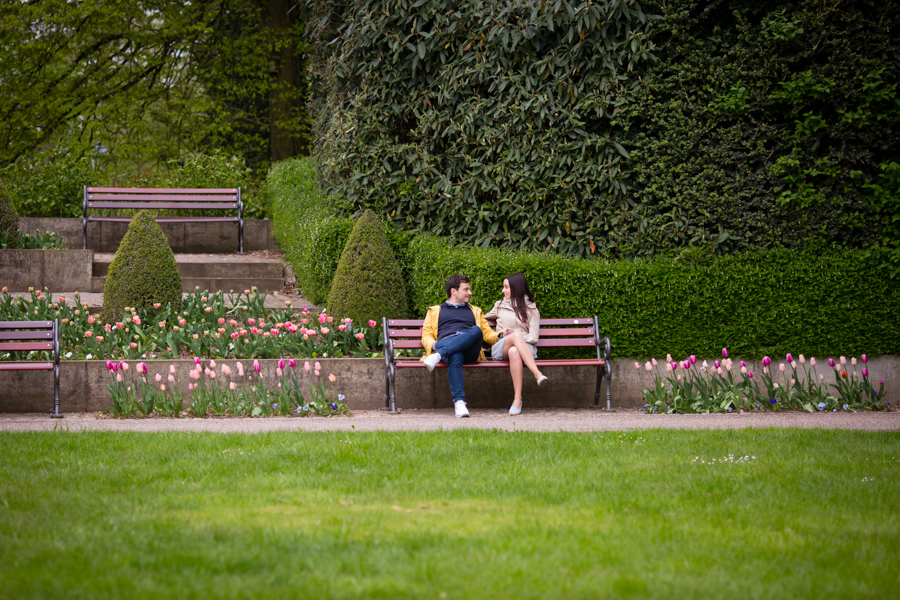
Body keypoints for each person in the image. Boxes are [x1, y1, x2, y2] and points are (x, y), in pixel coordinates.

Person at [421, 275, 500, 418]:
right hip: (449, 349)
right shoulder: (435, 311)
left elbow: (486, 333)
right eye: (466, 289)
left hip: (469, 349)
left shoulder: (475, 310)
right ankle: (459, 403)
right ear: (453, 291)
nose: (469, 293)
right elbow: (426, 335)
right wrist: (434, 344)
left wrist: (500, 335)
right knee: (455, 353)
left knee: (476, 330)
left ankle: (438, 355)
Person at [484, 273, 548, 415]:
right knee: (514, 340)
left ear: (516, 288)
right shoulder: (499, 305)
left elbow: (534, 337)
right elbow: (481, 321)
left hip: (524, 348)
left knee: (514, 351)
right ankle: (537, 374)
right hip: (501, 347)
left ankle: (517, 400)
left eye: (506, 287)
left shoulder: (531, 309)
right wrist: (502, 335)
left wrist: (518, 338)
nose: (503, 290)